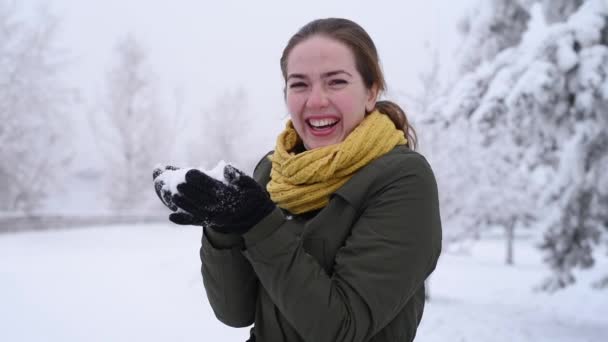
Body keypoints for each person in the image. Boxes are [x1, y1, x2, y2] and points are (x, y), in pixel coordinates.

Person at [153, 18, 442, 342]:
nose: (316, 100)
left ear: (371, 91)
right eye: (300, 84)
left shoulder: (403, 179)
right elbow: (235, 312)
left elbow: (341, 328)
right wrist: (223, 228)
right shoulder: (273, 170)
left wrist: (259, 224)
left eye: (336, 82)